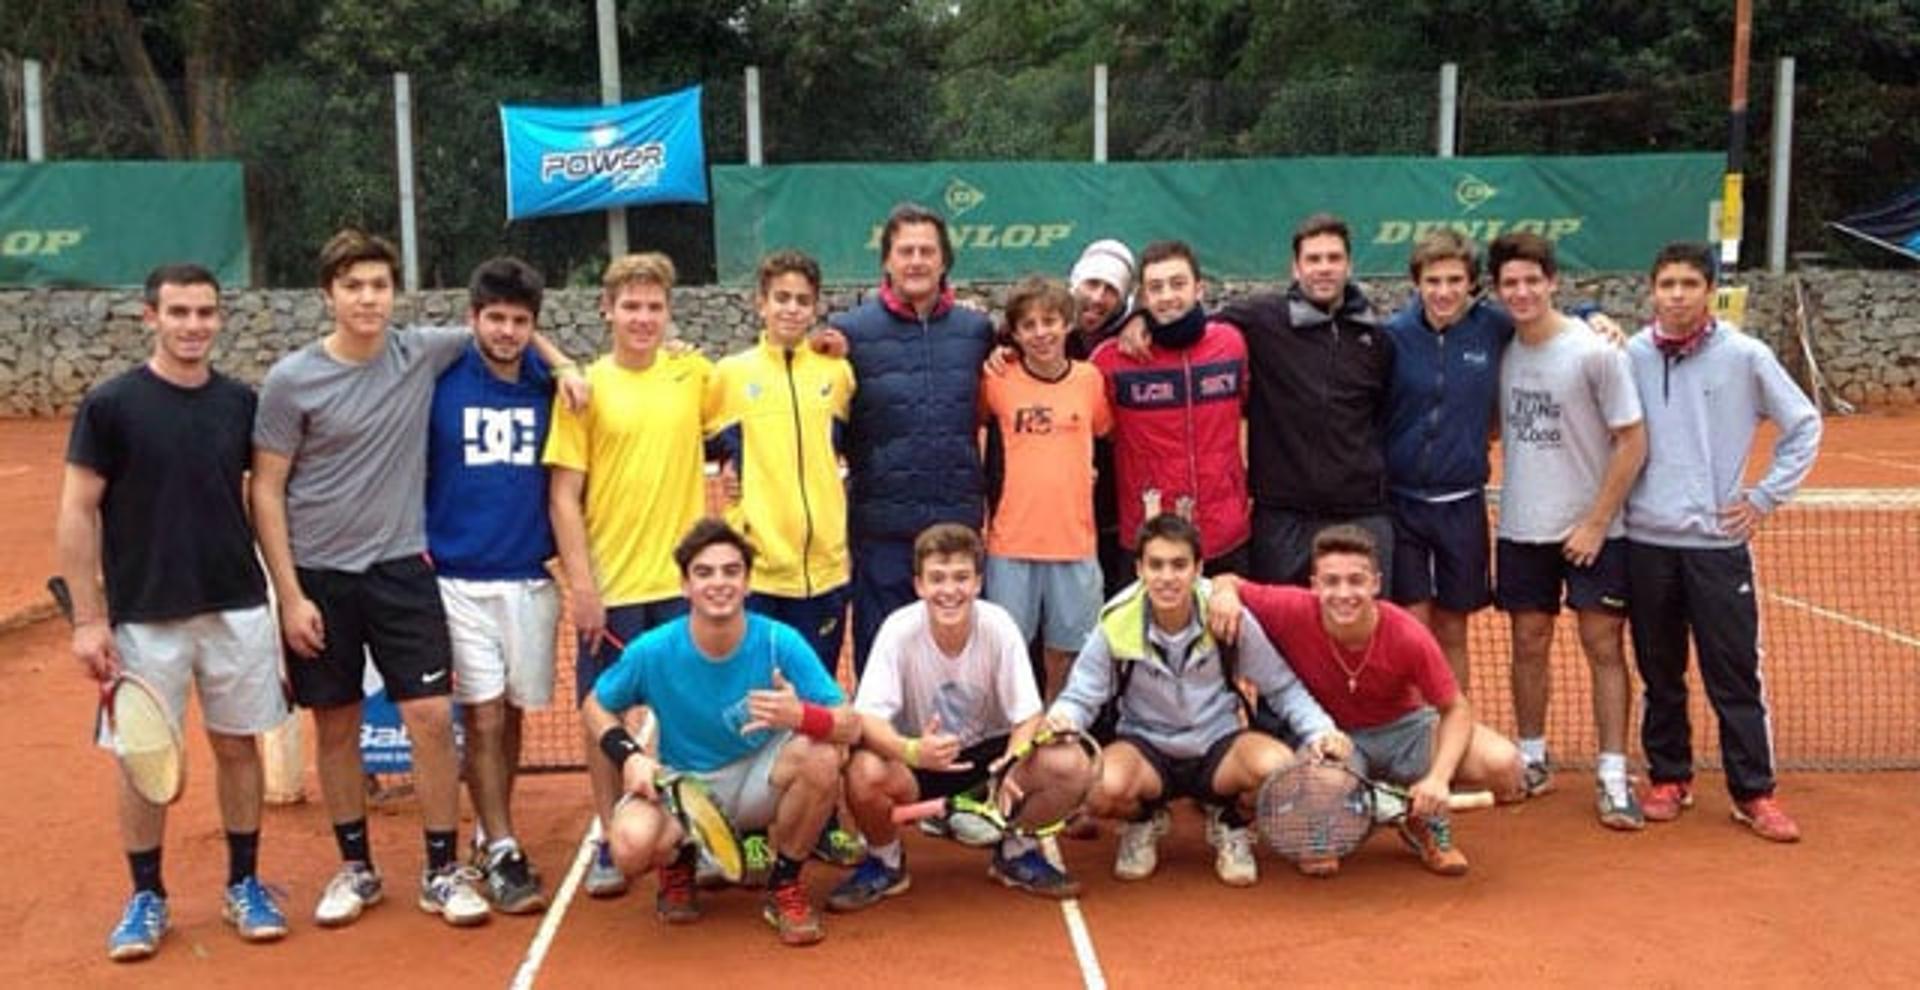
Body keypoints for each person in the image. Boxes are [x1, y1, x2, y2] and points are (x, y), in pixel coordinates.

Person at [252, 229, 584, 929]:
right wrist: (290, 594)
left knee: (434, 721)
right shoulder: (291, 380)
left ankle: (442, 867)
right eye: (353, 286)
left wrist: (565, 362)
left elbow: (516, 328)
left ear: (393, 294)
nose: (367, 298)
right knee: (336, 724)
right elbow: (266, 489)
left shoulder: (419, 351)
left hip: (404, 568)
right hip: (320, 575)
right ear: (329, 295)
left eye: (377, 285)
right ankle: (356, 868)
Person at [57, 263, 291, 960]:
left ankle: (243, 884)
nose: (194, 326)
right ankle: (147, 895)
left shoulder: (241, 403)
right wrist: (88, 620)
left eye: (205, 313)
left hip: (236, 605)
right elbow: (77, 510)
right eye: (180, 312)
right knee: (141, 757)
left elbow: (265, 496)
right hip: (144, 615)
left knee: (237, 747)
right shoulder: (112, 405)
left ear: (220, 319)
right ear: (149, 317)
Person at [581, 520, 860, 946]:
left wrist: (802, 715)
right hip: (683, 787)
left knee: (822, 757)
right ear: (685, 585)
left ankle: (784, 884)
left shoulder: (777, 641)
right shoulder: (653, 650)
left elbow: (850, 723)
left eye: (731, 571)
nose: (719, 583)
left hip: (760, 781)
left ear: (748, 584)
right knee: (629, 846)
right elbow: (595, 705)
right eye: (704, 572)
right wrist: (631, 755)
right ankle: (678, 860)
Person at [1624, 242, 1821, 843]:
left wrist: (1763, 497)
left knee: (1733, 673)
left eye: (1689, 284)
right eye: (1667, 285)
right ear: (1652, 292)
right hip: (1644, 542)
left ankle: (1753, 791)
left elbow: (1804, 424)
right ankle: (1669, 777)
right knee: (1659, 671)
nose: (1677, 295)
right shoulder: (1630, 353)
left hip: (1717, 547)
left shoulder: (1746, 356)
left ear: (1709, 291)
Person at [1046, 513, 1351, 887]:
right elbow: (1081, 696)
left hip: (1218, 747)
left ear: (1198, 569)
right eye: (1156, 565)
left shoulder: (1227, 617)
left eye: (1179, 565)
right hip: (1146, 747)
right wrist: (1062, 718)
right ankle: (1142, 821)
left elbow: (1282, 686)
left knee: (1280, 769)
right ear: (1139, 569)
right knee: (1096, 788)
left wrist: (1321, 731)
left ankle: (1232, 823)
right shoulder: (1116, 622)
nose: (1167, 577)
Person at [1381, 231, 1626, 693]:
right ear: (1417, 283)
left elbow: (1541, 316)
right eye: (1433, 280)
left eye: (1456, 279)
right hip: (1402, 506)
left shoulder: (1492, 327)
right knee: (1410, 629)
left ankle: (1455, 739)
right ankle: (1412, 741)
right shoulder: (1393, 337)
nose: (1444, 291)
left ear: (1473, 285)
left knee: (1454, 629)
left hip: (1462, 507)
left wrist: (1590, 315)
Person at [1208, 525, 1528, 877]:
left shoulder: (1407, 633)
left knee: (1504, 764)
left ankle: (1420, 817)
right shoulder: (1289, 607)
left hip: (1404, 731)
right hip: (1334, 738)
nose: (1344, 593)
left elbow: (1456, 708)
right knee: (1319, 861)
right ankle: (1384, 809)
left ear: (1375, 583)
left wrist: (1438, 778)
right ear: (1314, 585)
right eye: (1331, 581)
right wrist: (1224, 595)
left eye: (1356, 580)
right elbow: (1228, 580)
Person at [544, 251, 715, 897]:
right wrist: (581, 586)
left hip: (684, 590)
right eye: (631, 306)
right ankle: (612, 834)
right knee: (602, 714)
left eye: (654, 306)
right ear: (606, 310)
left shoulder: (693, 374)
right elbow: (563, 496)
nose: (643, 318)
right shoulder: (583, 388)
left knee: (686, 715)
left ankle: (683, 834)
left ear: (669, 312)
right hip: (610, 590)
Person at [829, 523, 1089, 910]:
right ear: (918, 585)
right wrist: (914, 751)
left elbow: (1029, 714)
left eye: (961, 578)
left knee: (1071, 765)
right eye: (937, 579)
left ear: (978, 582)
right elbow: (869, 720)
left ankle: (1016, 853)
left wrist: (1010, 766)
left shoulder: (999, 625)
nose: (949, 590)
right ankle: (886, 861)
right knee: (864, 772)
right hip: (919, 759)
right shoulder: (898, 630)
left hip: (989, 759)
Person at [706, 249, 865, 868]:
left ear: (815, 305)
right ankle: (750, 820)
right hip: (759, 572)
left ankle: (816, 814)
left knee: (814, 703)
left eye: (802, 299)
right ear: (760, 303)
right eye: (781, 298)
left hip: (825, 569)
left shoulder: (838, 375)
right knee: (753, 703)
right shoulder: (729, 375)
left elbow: (845, 448)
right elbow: (706, 445)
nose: (791, 309)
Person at [1488, 232, 1648, 829]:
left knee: (1603, 646)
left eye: (1533, 280)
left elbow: (1633, 441)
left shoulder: (1596, 351)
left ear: (1553, 282)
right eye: (1511, 283)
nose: (1523, 292)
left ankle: (1612, 772)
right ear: (1498, 290)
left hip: (1596, 532)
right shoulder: (1502, 347)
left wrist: (1597, 522)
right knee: (1528, 643)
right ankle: (1532, 757)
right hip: (1524, 525)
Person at [424, 257, 560, 913]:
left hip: (531, 578)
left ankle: (489, 827)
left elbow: (576, 374)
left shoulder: (546, 381)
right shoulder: (440, 379)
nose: (506, 332)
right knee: (478, 714)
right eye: (495, 318)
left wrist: (556, 361)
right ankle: (504, 846)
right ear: (472, 318)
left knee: (509, 714)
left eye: (519, 321)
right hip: (456, 579)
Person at [828, 203, 996, 676]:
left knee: (958, 665)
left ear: (944, 262)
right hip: (881, 532)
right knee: (882, 663)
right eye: (906, 251)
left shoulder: (977, 331)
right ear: (887, 261)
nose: (917, 261)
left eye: (927, 251)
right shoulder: (848, 333)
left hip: (956, 526)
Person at [1214, 213, 1396, 591]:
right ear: (1295, 267)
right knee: (1281, 633)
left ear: (1349, 265)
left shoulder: (1377, 337)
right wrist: (1142, 320)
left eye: (1333, 258)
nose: (1324, 268)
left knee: (1359, 630)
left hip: (1360, 513)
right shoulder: (1260, 320)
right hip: (1282, 518)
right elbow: (1189, 327)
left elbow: (1384, 416)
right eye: (1313, 259)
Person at [979, 276, 1112, 695]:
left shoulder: (1090, 379)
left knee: (1068, 652)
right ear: (1015, 334)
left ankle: (1060, 729)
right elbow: (973, 430)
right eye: (1029, 325)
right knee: (1010, 650)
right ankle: (1012, 740)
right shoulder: (997, 379)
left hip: (1074, 541)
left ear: (1068, 323)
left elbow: (1105, 434)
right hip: (1011, 542)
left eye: (1050, 321)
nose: (1041, 333)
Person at [1090, 240, 1251, 575]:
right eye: (1156, 287)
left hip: (1224, 534)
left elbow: (1247, 413)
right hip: (1150, 539)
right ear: (1143, 297)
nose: (1167, 296)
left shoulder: (1232, 344)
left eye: (1178, 284)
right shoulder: (1112, 359)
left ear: (1200, 289)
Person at [1065, 239, 1137, 597]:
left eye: (1111, 290)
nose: (1097, 297)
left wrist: (1143, 320)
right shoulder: (1042, 332)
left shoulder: (1137, 340)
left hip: (1112, 505)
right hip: (1052, 508)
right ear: (1075, 283)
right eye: (1092, 284)